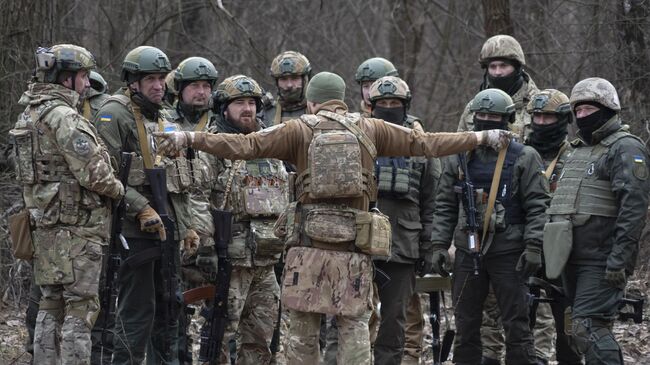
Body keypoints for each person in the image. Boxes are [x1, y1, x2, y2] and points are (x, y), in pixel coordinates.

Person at [153, 71, 514, 364]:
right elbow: (427, 143)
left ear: (311, 100)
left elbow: (245, 146)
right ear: (345, 98)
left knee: (302, 332)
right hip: (354, 248)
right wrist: (481, 135)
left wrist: (189, 137)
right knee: (354, 326)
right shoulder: (372, 128)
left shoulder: (298, 129)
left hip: (307, 247)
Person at [10, 44, 124, 364]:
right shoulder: (63, 116)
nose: (87, 84)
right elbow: (95, 174)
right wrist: (118, 191)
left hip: (44, 225)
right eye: (83, 76)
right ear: (65, 80)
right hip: (76, 230)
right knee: (81, 309)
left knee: (50, 303)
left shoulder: (29, 114)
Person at [431, 88, 550, 365]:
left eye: (492, 116)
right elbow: (445, 205)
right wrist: (438, 245)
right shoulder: (459, 156)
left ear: (507, 119)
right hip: (467, 250)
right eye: (481, 115)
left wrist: (534, 246)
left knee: (516, 322)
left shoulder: (525, 157)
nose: (486, 121)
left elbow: (538, 206)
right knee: (466, 322)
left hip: (509, 251)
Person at [93, 45, 193, 364]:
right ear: (133, 82)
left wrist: (188, 225)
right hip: (132, 230)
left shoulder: (162, 117)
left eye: (162, 79)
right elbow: (104, 174)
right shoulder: (114, 112)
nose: (158, 85)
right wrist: (141, 207)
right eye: (150, 78)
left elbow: (176, 181)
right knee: (137, 313)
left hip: (166, 226)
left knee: (169, 309)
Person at [545, 78, 650, 365]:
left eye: (588, 109)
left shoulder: (626, 148)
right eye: (577, 111)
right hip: (568, 258)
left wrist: (620, 259)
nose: (582, 116)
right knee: (571, 330)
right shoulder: (576, 150)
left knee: (588, 327)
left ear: (607, 109)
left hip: (601, 260)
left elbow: (634, 208)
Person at [456, 35, 540, 365]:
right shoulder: (476, 103)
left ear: (517, 67)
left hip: (518, 204)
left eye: (504, 65)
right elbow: (461, 149)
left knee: (521, 317)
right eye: (492, 65)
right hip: (476, 224)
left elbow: (544, 144)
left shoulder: (535, 101)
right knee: (473, 320)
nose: (498, 70)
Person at [208, 74, 288, 363]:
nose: (247, 109)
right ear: (224, 109)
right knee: (219, 337)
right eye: (239, 102)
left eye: (252, 103)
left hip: (266, 263)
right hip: (230, 261)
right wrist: (206, 252)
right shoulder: (212, 145)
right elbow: (197, 201)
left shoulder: (271, 144)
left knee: (260, 341)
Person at [367, 76, 441, 365]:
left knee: (394, 322)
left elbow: (432, 200)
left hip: (403, 244)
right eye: (382, 104)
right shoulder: (358, 135)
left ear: (405, 106)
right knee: (351, 316)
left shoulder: (421, 144)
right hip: (360, 241)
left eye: (394, 103)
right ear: (371, 107)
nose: (388, 108)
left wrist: (429, 247)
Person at [163, 56, 219, 364]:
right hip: (177, 233)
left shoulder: (220, 125)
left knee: (217, 315)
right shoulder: (164, 122)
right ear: (180, 89)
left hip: (213, 237)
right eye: (194, 86)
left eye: (205, 86)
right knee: (175, 313)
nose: (200, 92)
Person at [525, 89, 583, 365]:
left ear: (562, 120)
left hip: (565, 248)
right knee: (522, 318)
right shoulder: (520, 154)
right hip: (526, 244)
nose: (541, 122)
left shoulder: (577, 156)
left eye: (548, 117)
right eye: (537, 116)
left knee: (567, 322)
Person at [264, 51, 311, 125]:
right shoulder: (266, 114)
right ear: (277, 82)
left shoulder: (318, 111)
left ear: (304, 80)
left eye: (294, 78)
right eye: (283, 79)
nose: (289, 85)